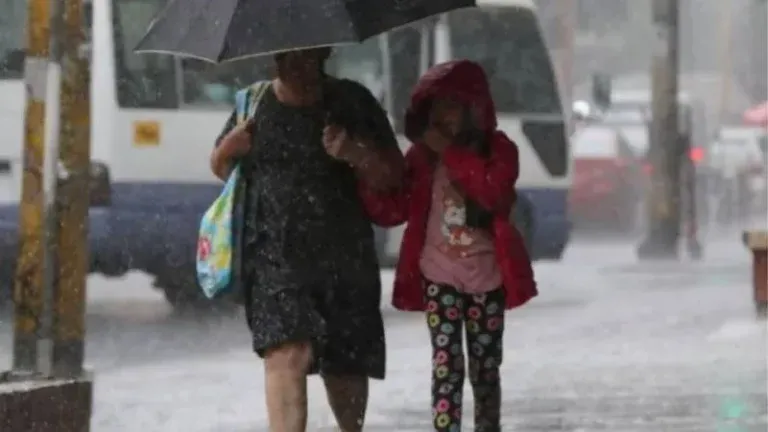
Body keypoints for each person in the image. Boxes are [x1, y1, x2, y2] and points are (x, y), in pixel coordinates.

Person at [209, 47, 404, 432]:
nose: (297, 67)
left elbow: (393, 175)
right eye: (287, 58)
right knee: (286, 352)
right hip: (273, 257)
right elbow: (221, 167)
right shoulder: (253, 104)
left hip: (344, 257)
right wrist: (228, 149)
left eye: (307, 58)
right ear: (274, 59)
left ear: (324, 53)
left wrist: (353, 152)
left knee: (344, 364)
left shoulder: (352, 101)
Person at [360, 60, 538, 431]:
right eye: (436, 109)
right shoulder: (422, 159)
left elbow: (492, 196)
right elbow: (395, 209)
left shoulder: (500, 151)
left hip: (487, 279)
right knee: (446, 364)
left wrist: (454, 154)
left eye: (451, 107)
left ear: (473, 110)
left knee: (485, 368)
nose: (443, 118)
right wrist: (363, 173)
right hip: (438, 276)